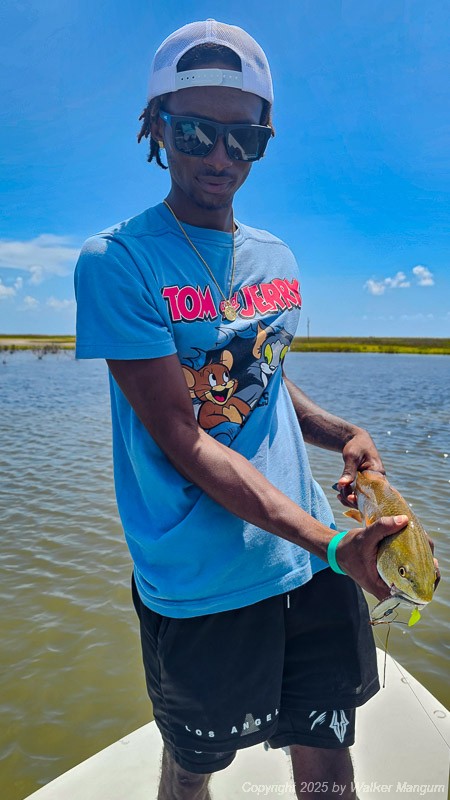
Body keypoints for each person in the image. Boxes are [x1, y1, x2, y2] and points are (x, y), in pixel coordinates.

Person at [74, 19, 412, 800]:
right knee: (193, 768)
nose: (221, 157)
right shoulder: (118, 262)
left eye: (244, 139)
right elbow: (181, 435)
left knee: (328, 756)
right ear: (155, 126)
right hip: (202, 583)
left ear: (263, 140)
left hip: (314, 561)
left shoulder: (277, 258)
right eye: (196, 131)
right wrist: (337, 544)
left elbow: (262, 377)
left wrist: (344, 433)